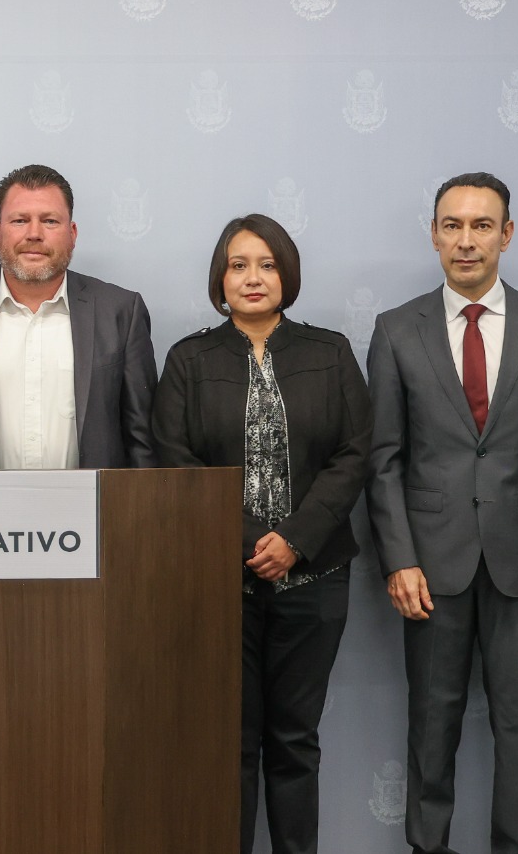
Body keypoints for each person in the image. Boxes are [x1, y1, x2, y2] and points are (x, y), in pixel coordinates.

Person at [366, 172, 518, 854]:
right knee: (431, 725)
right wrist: (399, 559)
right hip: (429, 567)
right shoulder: (395, 329)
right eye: (453, 225)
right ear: (435, 235)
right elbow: (383, 460)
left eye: (482, 225)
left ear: (507, 234)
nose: (467, 240)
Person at [152, 214, 371, 854]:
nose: (253, 277)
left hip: (316, 575)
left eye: (268, 264)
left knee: (295, 740)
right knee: (231, 742)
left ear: (287, 275)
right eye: (239, 265)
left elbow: (355, 452)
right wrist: (253, 542)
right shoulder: (189, 359)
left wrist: (295, 539)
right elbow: (176, 460)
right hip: (221, 580)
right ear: (220, 278)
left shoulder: (330, 352)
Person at [0, 163, 156, 470]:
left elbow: (142, 441)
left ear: (72, 234)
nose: (34, 234)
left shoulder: (121, 310)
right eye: (20, 220)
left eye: (50, 221)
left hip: (93, 499)